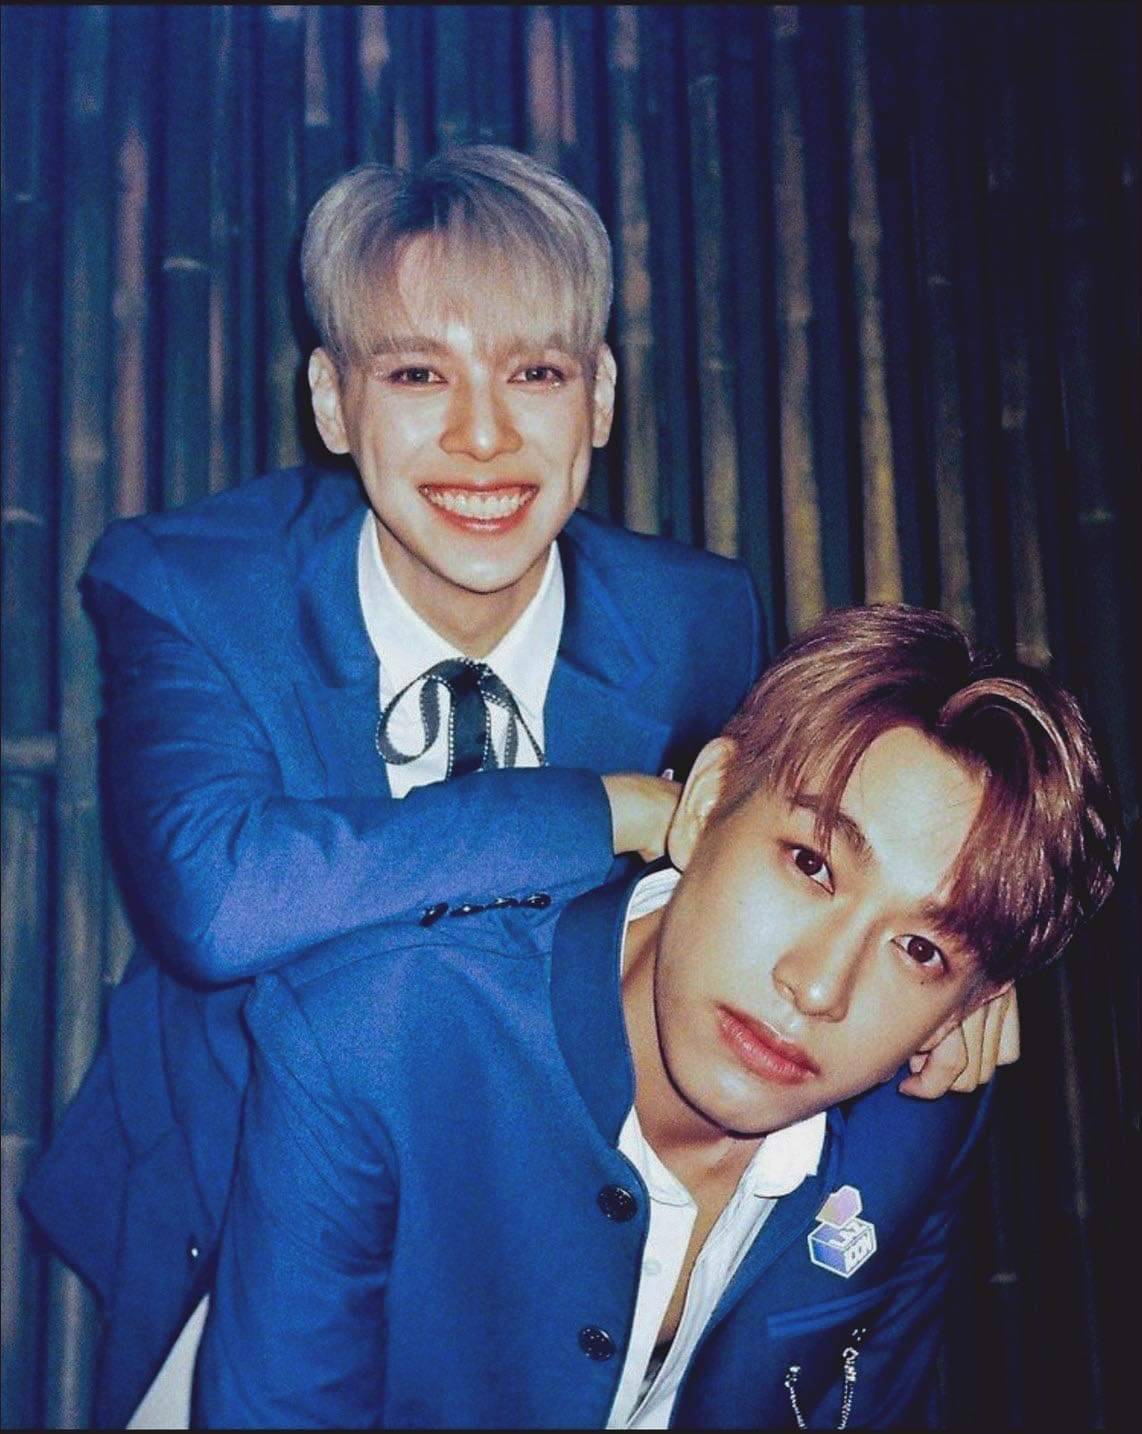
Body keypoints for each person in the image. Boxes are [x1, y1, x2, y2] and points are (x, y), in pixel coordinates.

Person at [21, 148, 1007, 1428]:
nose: (482, 437)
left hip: (511, 1213)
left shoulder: (695, 618)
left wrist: (961, 976)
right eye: (416, 374)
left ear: (598, 396)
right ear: (331, 400)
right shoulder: (192, 584)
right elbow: (217, 902)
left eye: (534, 373)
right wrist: (602, 808)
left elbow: (780, 873)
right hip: (222, 1175)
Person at [195, 603, 1119, 1430]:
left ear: (969, 1010)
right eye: (810, 864)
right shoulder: (378, 1035)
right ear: (708, 803)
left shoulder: (922, 1115)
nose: (819, 987)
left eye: (919, 950)